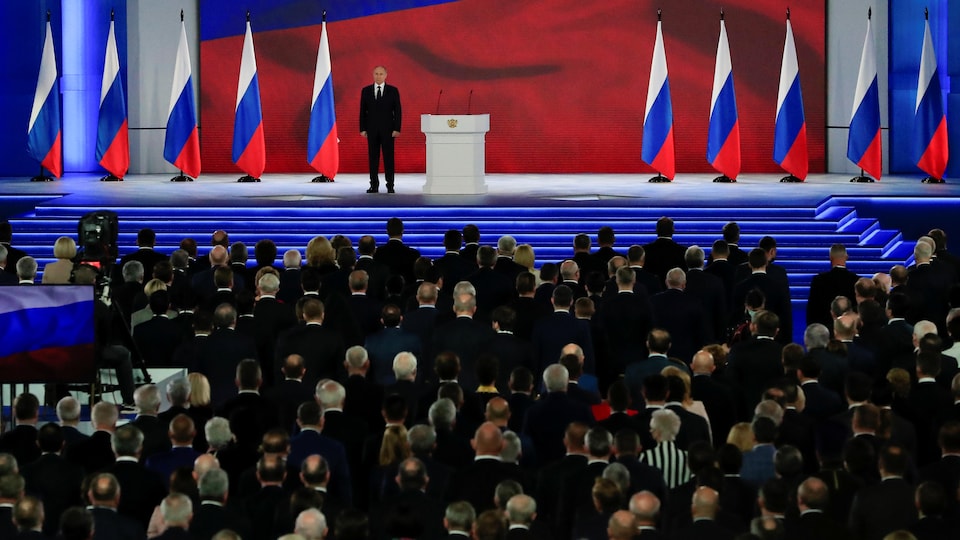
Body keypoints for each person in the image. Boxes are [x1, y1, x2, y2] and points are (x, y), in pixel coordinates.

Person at [360, 65, 402, 193]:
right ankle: (374, 185)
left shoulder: (393, 90)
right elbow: (363, 111)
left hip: (388, 130)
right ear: (373, 75)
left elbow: (398, 111)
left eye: (381, 74)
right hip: (372, 130)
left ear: (385, 75)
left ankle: (390, 185)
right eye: (376, 74)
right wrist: (362, 128)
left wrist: (397, 128)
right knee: (373, 158)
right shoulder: (366, 90)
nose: (378, 76)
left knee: (389, 158)